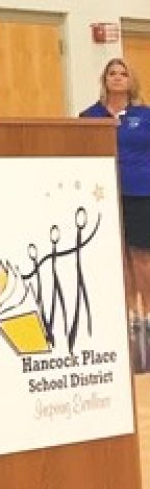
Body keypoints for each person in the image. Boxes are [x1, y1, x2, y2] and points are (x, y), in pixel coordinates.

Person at [80, 58, 150, 317]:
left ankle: (147, 313)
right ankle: (129, 312)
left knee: (140, 255)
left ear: (131, 81)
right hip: (104, 194)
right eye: (112, 73)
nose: (118, 78)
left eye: (123, 74)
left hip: (140, 192)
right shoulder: (90, 116)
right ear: (105, 79)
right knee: (117, 255)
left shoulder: (145, 115)